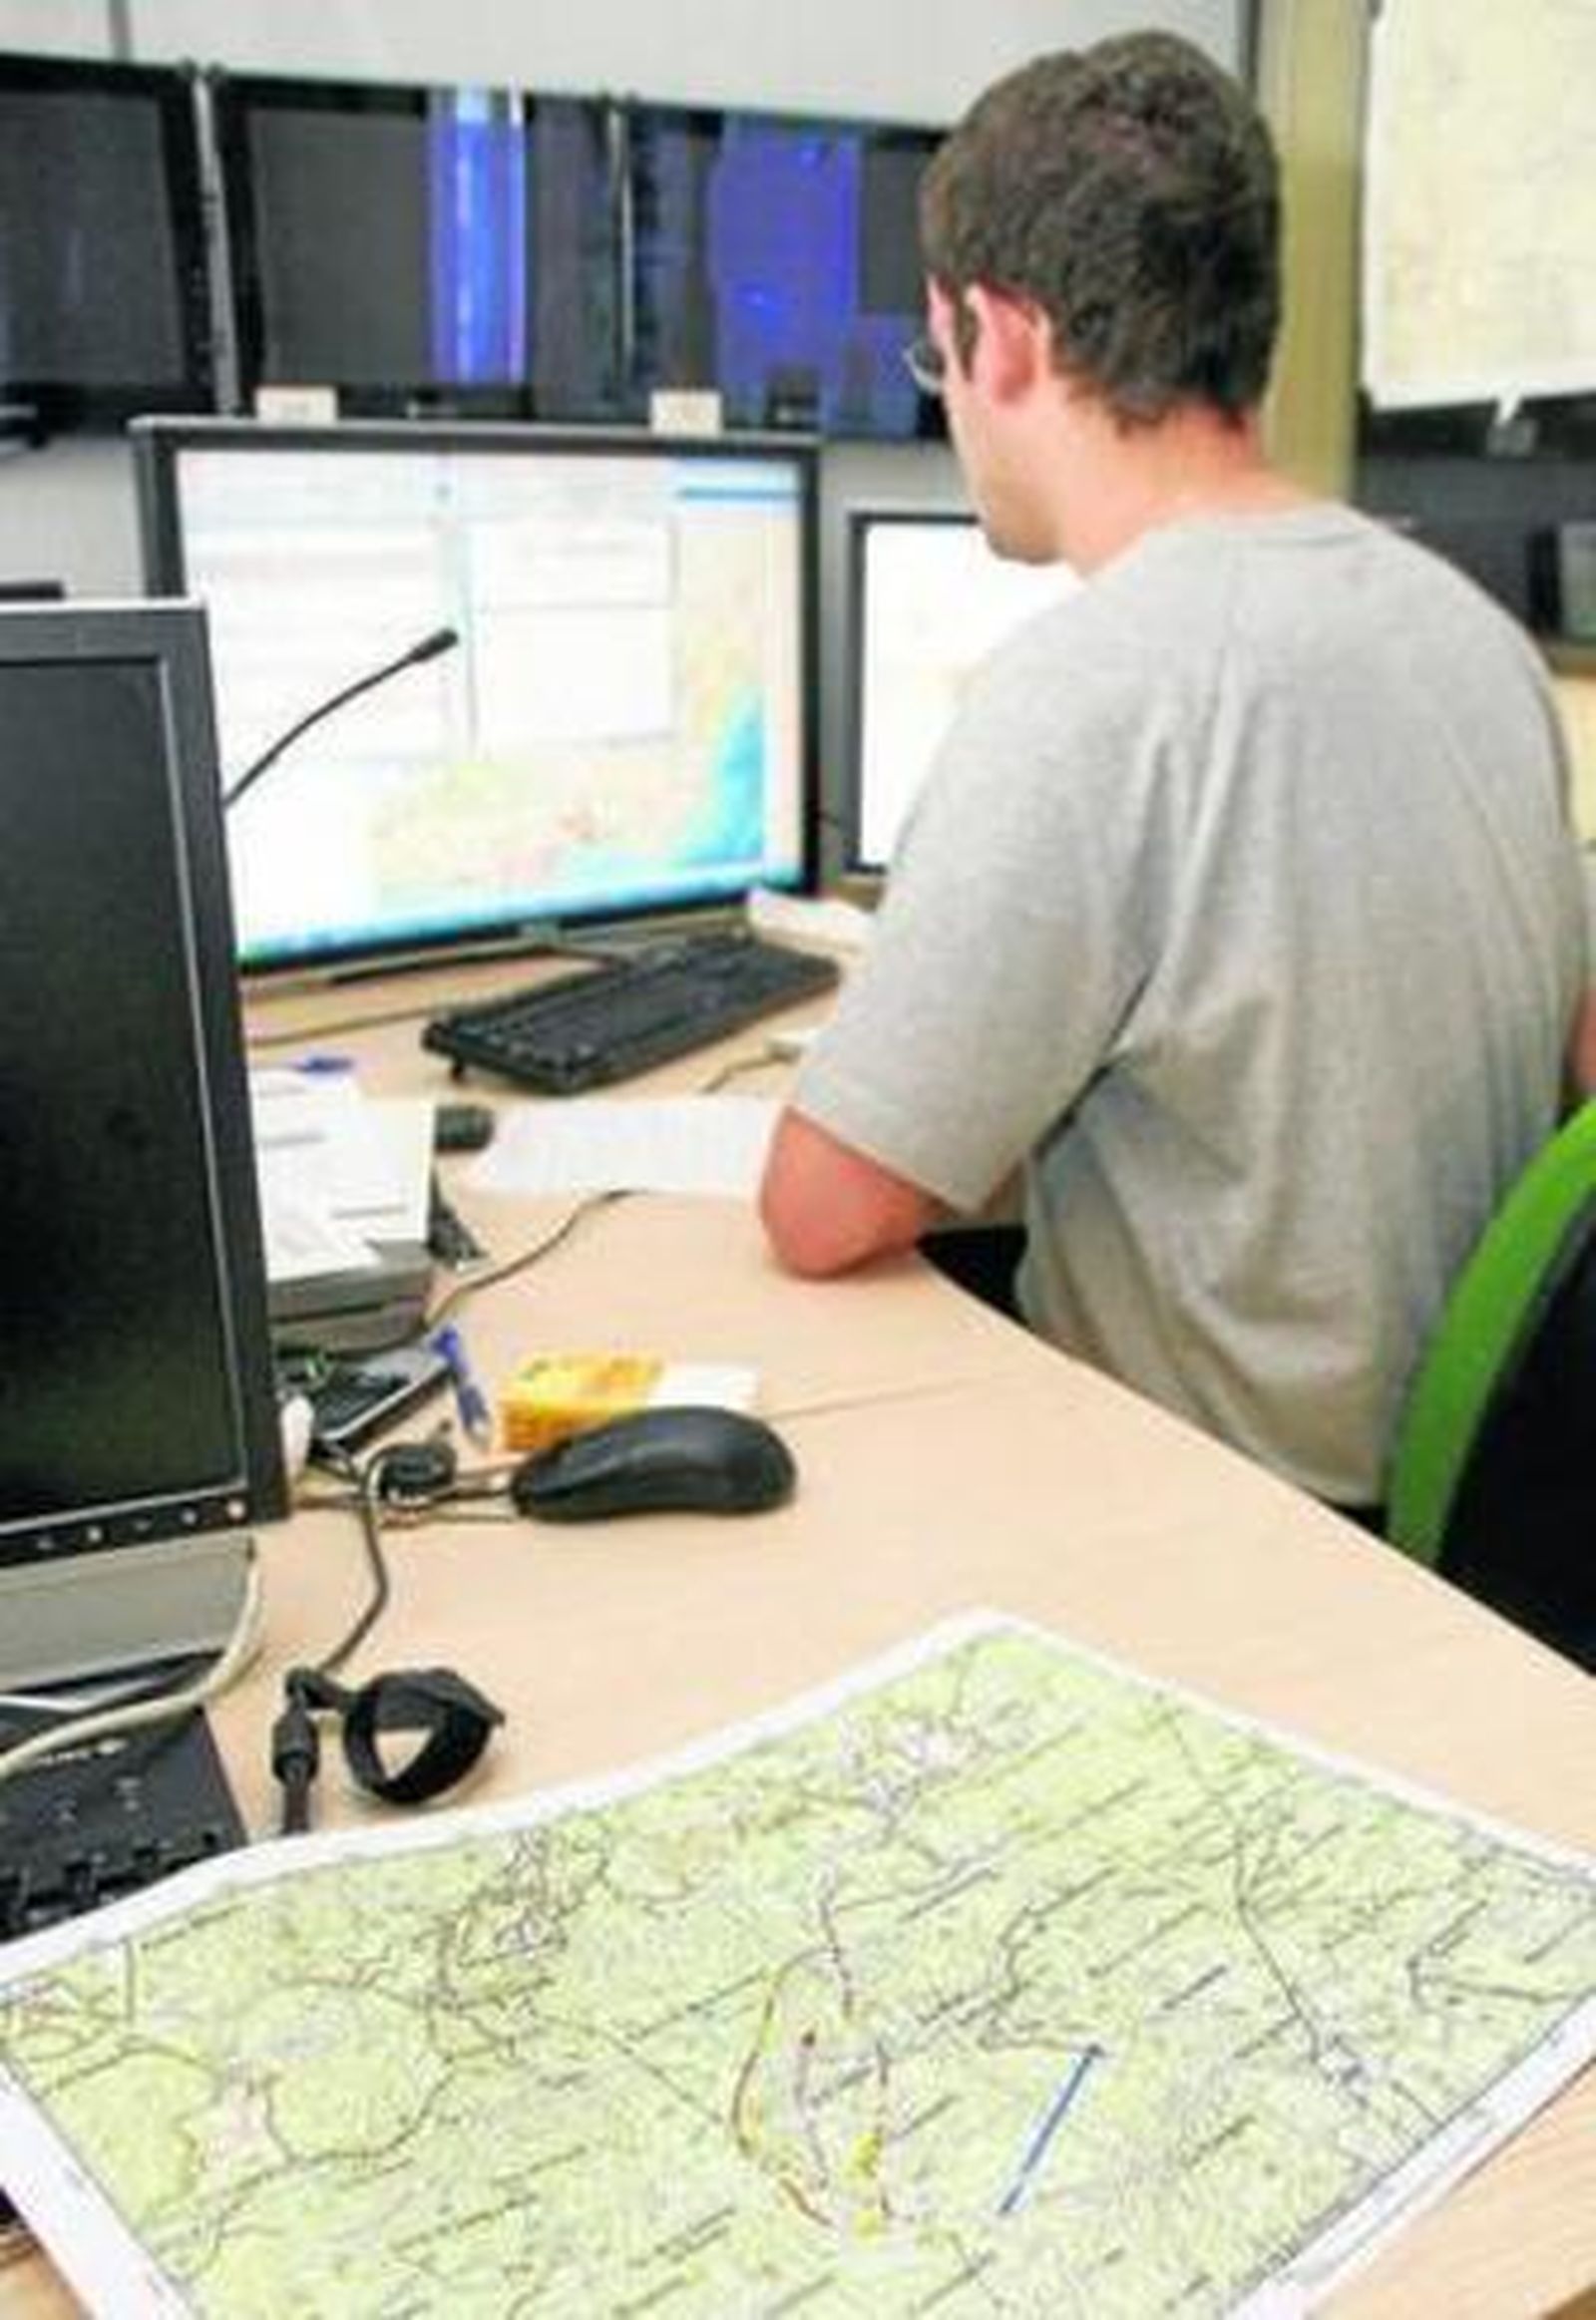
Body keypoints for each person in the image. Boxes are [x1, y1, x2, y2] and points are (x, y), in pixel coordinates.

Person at [758, 30, 1591, 1517]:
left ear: (1002, 338)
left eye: (934, 353)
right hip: (1462, 1505)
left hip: (1218, 1522)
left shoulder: (1092, 687)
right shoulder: (1478, 639)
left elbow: (824, 1210)